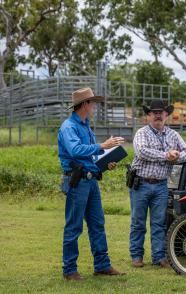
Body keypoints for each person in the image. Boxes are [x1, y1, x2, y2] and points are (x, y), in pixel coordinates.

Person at [58, 87, 126, 280]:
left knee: (97, 224)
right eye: (93, 103)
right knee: (74, 226)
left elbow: (91, 154)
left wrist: (106, 162)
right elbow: (76, 150)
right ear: (85, 105)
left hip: (90, 180)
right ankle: (69, 270)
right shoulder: (68, 127)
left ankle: (102, 265)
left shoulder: (85, 125)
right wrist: (103, 146)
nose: (95, 106)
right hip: (78, 182)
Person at [129, 100, 186, 268]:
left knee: (159, 223)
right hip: (140, 183)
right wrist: (166, 155)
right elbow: (141, 152)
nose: (157, 115)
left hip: (162, 185)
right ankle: (136, 256)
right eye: (154, 112)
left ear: (166, 115)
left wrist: (177, 156)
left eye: (161, 112)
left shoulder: (173, 134)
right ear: (148, 115)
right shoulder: (141, 133)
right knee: (138, 221)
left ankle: (159, 257)